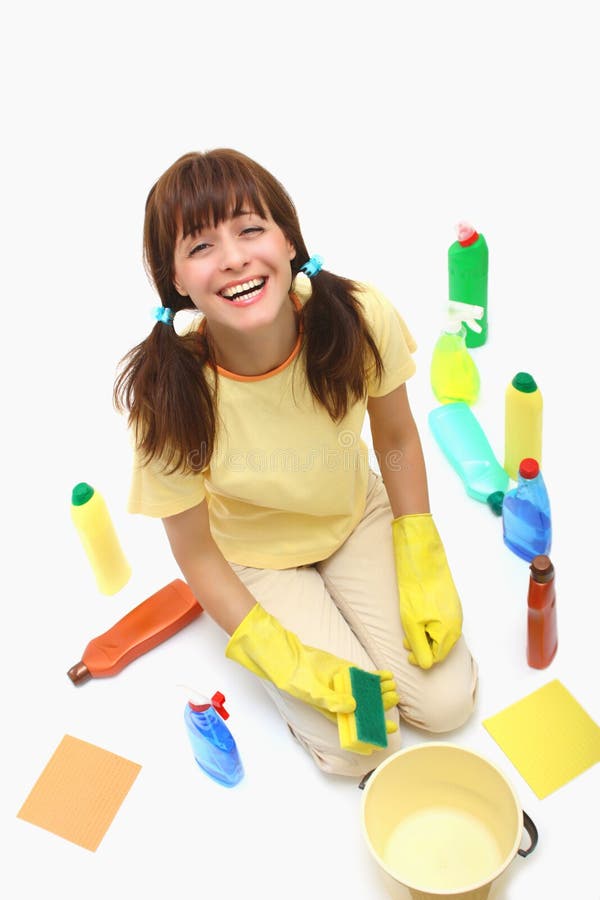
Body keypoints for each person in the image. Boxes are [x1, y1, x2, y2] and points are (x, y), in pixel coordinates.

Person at [114, 148, 478, 776]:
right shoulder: (167, 394)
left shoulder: (359, 316)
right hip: (257, 559)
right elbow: (197, 552)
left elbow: (395, 434)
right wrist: (279, 654)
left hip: (352, 514)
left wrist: (419, 547)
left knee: (446, 705)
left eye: (251, 229)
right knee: (365, 742)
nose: (233, 258)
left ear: (289, 240)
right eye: (200, 246)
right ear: (174, 279)